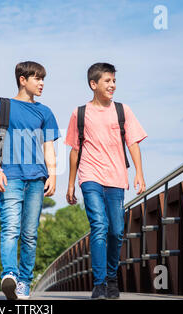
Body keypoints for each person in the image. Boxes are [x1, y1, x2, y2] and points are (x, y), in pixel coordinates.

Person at [65, 62, 147, 300]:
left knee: (116, 230)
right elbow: (74, 150)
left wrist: (139, 173)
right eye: (107, 81)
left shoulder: (123, 110)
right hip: (89, 176)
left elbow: (133, 142)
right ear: (93, 84)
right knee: (99, 226)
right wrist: (71, 184)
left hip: (116, 177)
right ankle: (99, 283)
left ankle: (112, 277)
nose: (112, 85)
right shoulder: (79, 113)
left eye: (114, 81)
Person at [0, 61, 60, 300]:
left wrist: (53, 175)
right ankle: (9, 274)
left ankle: (24, 282)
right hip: (11, 176)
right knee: (10, 228)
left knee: (29, 233)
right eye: (37, 78)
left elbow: (49, 147)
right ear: (22, 79)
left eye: (43, 79)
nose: (42, 83)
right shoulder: (3, 106)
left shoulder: (45, 112)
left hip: (37, 179)